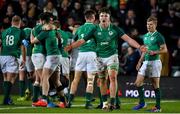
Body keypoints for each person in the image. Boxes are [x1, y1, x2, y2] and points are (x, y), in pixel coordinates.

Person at [65, 7, 146, 110]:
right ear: (99, 17)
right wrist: (71, 46)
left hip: (112, 56)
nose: (103, 17)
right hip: (99, 58)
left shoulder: (114, 28)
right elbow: (82, 41)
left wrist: (139, 47)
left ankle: (113, 102)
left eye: (105, 15)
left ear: (109, 17)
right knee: (102, 80)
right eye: (102, 15)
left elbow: (128, 39)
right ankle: (104, 103)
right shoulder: (95, 29)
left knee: (112, 77)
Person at [132, 16, 168, 112]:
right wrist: (140, 61)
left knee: (155, 85)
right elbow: (144, 50)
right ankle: (142, 103)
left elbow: (165, 50)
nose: (149, 26)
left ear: (155, 25)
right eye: (147, 24)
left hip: (155, 62)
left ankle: (158, 107)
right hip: (146, 62)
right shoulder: (146, 36)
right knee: (138, 83)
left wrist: (155, 52)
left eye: (151, 24)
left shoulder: (159, 36)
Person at [67, 9, 98, 109]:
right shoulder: (96, 27)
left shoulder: (79, 28)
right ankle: (88, 103)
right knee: (90, 80)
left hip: (81, 54)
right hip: (92, 54)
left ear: (85, 18)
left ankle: (69, 101)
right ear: (93, 18)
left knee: (75, 79)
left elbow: (75, 39)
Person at [0, 15, 26, 105]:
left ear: (11, 22)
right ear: (20, 22)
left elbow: (0, 45)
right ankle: (6, 100)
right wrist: (24, 59)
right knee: (12, 77)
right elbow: (23, 47)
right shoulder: (21, 32)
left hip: (2, 55)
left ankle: (8, 98)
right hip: (12, 55)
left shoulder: (4, 32)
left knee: (6, 77)